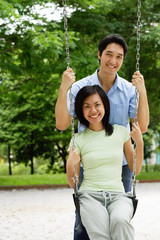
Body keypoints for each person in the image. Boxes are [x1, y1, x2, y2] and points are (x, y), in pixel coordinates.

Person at [55, 34, 149, 240]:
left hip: (120, 164)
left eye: (119, 57)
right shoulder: (80, 87)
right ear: (99, 55)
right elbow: (62, 124)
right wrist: (64, 87)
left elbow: (140, 127)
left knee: (119, 218)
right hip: (88, 160)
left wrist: (142, 90)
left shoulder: (128, 89)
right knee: (83, 224)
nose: (113, 61)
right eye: (108, 54)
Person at [67, 85, 144, 240]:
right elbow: (73, 183)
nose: (93, 111)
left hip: (118, 195)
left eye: (97, 105)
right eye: (87, 106)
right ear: (81, 110)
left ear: (105, 106)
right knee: (101, 234)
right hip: (89, 196)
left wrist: (140, 144)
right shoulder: (78, 139)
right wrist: (70, 164)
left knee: (120, 220)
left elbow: (135, 169)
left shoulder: (120, 132)